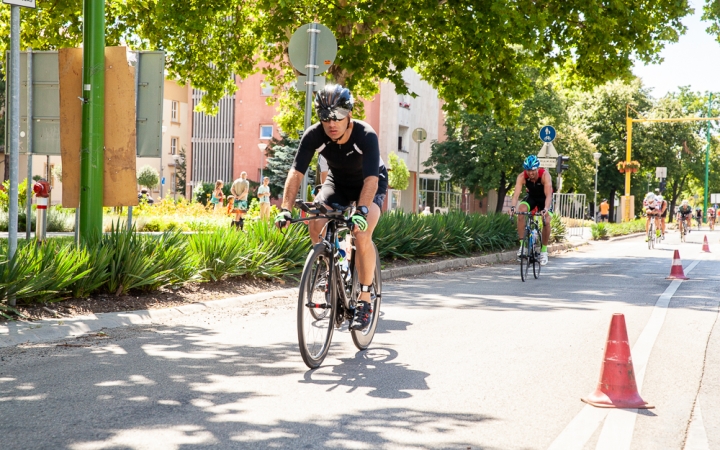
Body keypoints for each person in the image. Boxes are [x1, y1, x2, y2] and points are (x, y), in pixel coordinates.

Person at [274, 84, 388, 331]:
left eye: (337, 116)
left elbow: (370, 180)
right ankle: (330, 266)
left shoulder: (365, 135)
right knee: (316, 220)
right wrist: (285, 208)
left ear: (349, 115)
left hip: (369, 183)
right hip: (337, 183)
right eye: (325, 117)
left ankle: (365, 299)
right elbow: (296, 173)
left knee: (361, 232)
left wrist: (362, 211)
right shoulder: (314, 135)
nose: (331, 123)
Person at [509, 155, 553, 265]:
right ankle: (522, 247)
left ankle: (543, 252)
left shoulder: (544, 175)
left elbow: (548, 195)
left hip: (544, 199)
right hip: (532, 197)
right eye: (528, 170)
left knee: (546, 222)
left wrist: (546, 209)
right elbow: (516, 195)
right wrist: (513, 207)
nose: (530, 173)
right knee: (521, 211)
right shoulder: (522, 177)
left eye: (533, 170)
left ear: (537, 168)